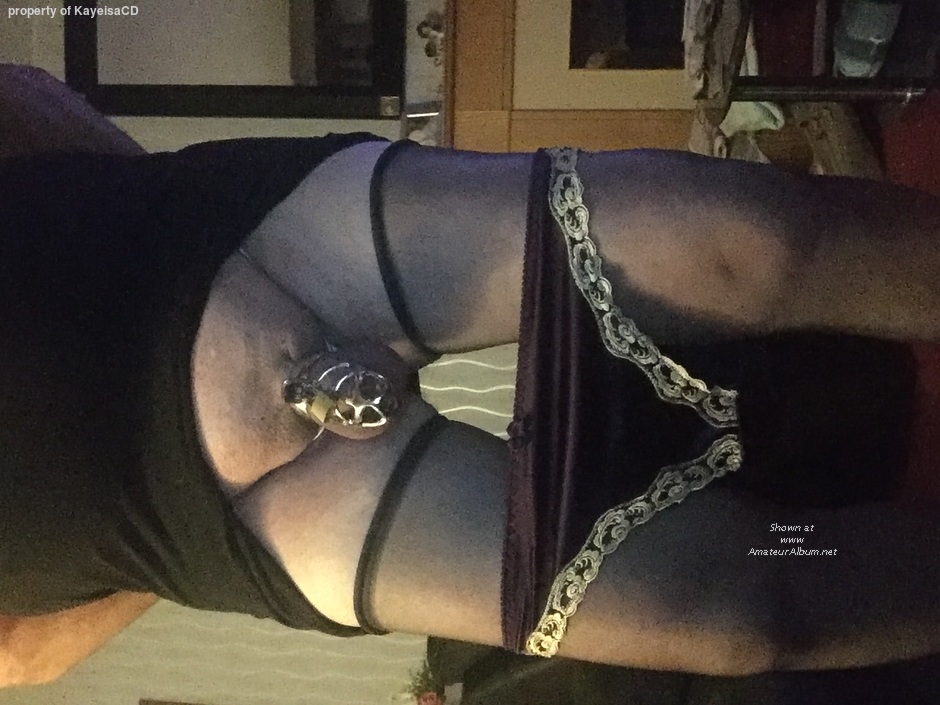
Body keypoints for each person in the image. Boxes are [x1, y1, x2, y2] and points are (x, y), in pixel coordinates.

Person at [1, 132, 939, 687]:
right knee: (747, 612)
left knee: (755, 241)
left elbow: (21, 94)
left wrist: (141, 214)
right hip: (239, 531)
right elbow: (18, 655)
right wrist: (148, 531)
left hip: (238, 235)